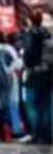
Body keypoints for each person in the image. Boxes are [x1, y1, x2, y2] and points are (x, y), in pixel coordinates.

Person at [22, 10, 53, 144]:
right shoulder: (48, 35)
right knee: (46, 105)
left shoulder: (30, 34)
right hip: (49, 74)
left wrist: (27, 64)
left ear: (30, 20)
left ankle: (36, 133)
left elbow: (28, 54)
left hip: (34, 73)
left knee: (32, 105)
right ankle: (47, 134)